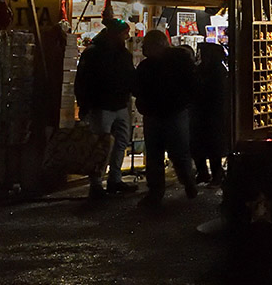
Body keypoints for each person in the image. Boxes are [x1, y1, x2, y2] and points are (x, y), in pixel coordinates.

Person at [73, 19, 137, 199]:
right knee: (100, 145)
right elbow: (83, 81)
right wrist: (85, 104)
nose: (127, 36)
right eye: (125, 33)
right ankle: (96, 183)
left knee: (120, 142)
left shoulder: (121, 53)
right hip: (101, 105)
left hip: (118, 104)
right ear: (115, 34)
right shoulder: (94, 53)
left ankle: (114, 178)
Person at [134, 29, 198, 206]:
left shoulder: (173, 63)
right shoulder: (155, 65)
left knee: (172, 153)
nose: (144, 48)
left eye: (147, 45)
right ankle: (170, 187)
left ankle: (183, 183)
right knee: (166, 153)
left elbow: (137, 87)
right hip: (163, 112)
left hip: (171, 112)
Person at [191, 42, 228, 185]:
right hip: (206, 112)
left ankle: (214, 174)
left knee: (212, 145)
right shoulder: (210, 69)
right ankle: (204, 172)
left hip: (211, 112)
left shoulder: (216, 71)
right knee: (204, 144)